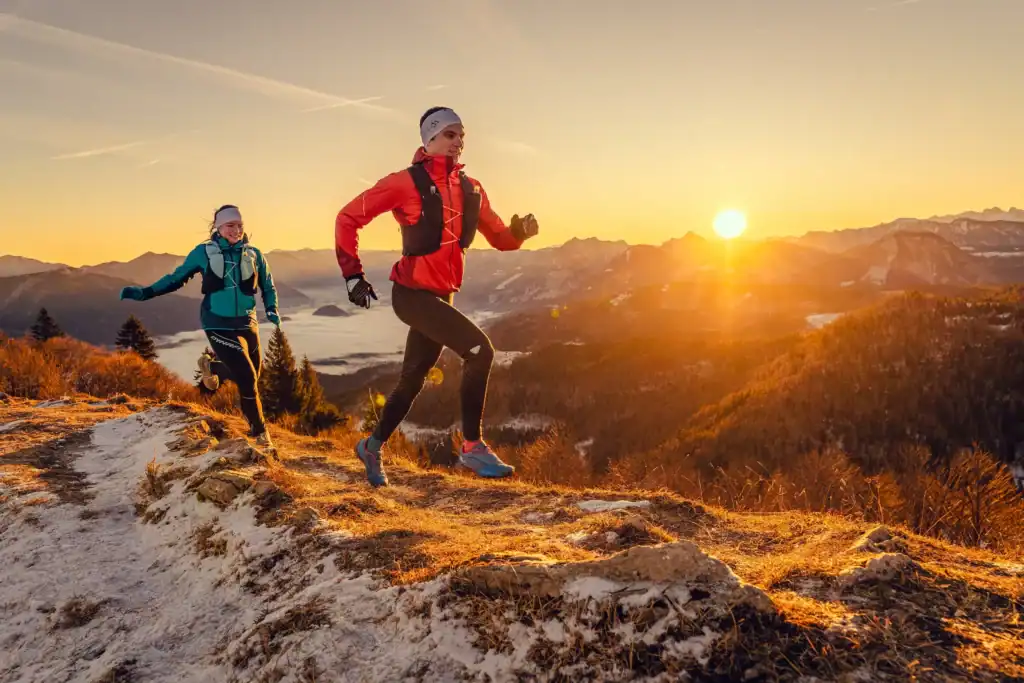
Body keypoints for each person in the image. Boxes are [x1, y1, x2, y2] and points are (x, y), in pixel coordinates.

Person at [335, 106, 540, 487]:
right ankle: (473, 445)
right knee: (480, 350)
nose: (458, 141)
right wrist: (353, 276)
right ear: (428, 140)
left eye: (462, 134)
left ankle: (371, 445)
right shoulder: (404, 183)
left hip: (442, 298)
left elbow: (500, 238)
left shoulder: (471, 188)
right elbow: (348, 218)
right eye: (450, 134)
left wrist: (520, 233)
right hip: (411, 295)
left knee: (411, 381)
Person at [119, 204, 281, 449]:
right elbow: (176, 278)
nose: (236, 230)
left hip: (247, 321)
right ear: (218, 227)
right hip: (217, 322)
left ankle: (213, 367)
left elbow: (268, 285)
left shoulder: (254, 254)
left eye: (239, 225)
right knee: (247, 377)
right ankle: (259, 432)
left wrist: (271, 308)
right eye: (230, 226)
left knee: (253, 376)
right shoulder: (203, 253)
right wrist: (145, 293)